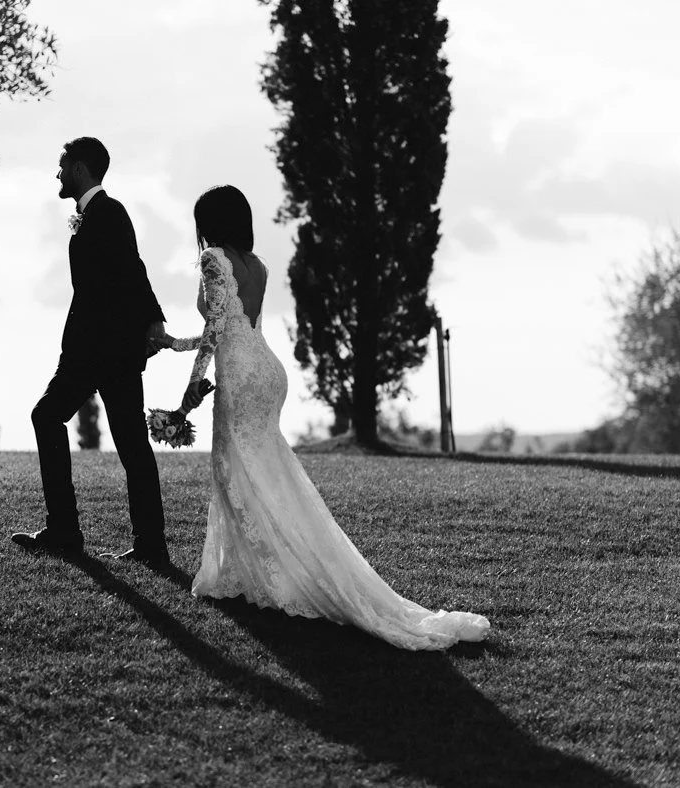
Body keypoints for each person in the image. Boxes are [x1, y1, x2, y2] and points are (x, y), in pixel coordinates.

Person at [156, 185, 490, 650]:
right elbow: (233, 327)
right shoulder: (257, 266)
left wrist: (191, 388)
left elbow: (216, 329)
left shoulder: (213, 258)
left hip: (242, 376)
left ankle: (270, 576)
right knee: (265, 472)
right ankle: (258, 570)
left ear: (210, 222)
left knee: (235, 472)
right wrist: (173, 344)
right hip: (267, 371)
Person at [12, 137, 172, 570]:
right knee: (52, 418)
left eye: (63, 166)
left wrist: (153, 320)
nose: (58, 174)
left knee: (127, 444)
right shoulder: (91, 215)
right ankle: (69, 532)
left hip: (108, 351)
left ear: (80, 169)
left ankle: (142, 544)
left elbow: (134, 269)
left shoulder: (110, 211)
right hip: (89, 350)